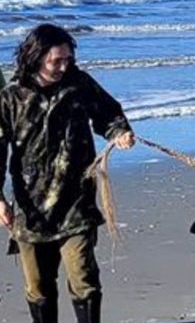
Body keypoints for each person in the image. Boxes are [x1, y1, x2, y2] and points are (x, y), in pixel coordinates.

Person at [0, 25, 134, 323]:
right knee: (38, 286)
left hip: (77, 202)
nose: (64, 66)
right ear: (36, 57)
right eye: (56, 61)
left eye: (68, 60)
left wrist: (119, 132)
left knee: (84, 276)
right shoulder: (10, 98)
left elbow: (109, 113)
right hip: (31, 208)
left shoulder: (79, 85)